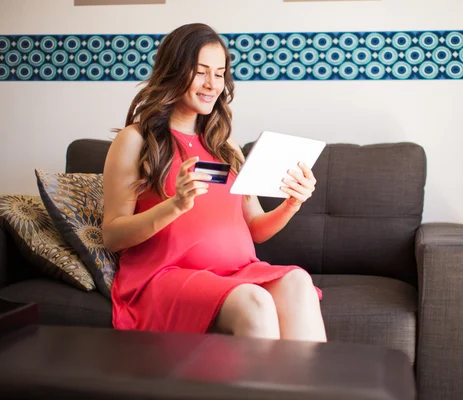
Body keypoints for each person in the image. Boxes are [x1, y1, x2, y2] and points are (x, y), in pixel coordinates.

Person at [102, 23, 327, 342]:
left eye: (219, 73)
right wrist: (175, 205)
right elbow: (112, 235)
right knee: (255, 302)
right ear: (175, 71)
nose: (212, 84)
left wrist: (292, 203)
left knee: (298, 282)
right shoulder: (136, 140)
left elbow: (256, 228)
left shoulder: (226, 145)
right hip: (165, 277)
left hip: (236, 273)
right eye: (201, 72)